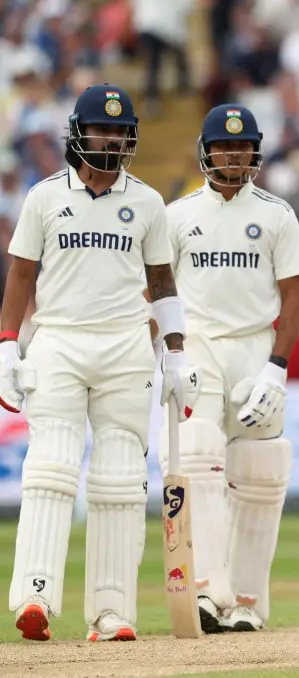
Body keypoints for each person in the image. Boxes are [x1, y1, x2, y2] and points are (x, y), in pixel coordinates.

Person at [0, 83, 200, 642]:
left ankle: (111, 613)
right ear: (78, 134)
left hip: (126, 345)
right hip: (59, 340)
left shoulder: (149, 202)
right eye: (101, 130)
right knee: (51, 468)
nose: (110, 139)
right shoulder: (43, 197)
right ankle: (34, 596)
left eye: (119, 131)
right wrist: (5, 343)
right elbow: (20, 274)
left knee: (119, 478)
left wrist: (176, 352)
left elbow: (162, 283)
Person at [161, 104, 299, 633]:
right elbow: (158, 291)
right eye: (224, 146)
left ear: (255, 152)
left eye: (243, 146)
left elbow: (293, 298)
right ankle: (206, 589)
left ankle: (246, 599)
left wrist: (277, 370)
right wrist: (169, 353)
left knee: (261, 471)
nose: (233, 154)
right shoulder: (177, 215)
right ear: (205, 151)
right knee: (198, 452)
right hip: (198, 343)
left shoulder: (276, 214)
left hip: (254, 347)